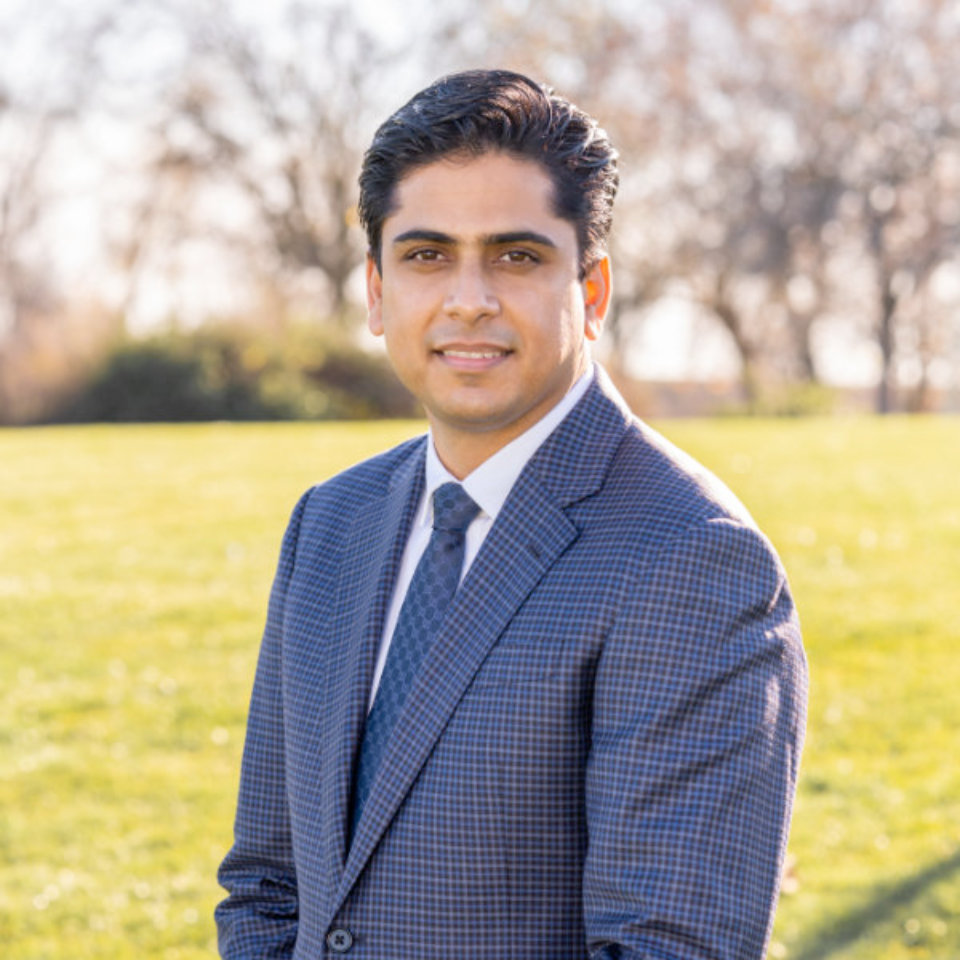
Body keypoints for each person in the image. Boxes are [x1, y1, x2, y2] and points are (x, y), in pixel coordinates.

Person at [215, 69, 807, 960]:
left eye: (516, 256)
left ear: (593, 291)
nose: (468, 299)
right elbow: (266, 889)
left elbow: (667, 951)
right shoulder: (329, 525)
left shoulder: (693, 561)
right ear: (376, 292)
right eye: (426, 255)